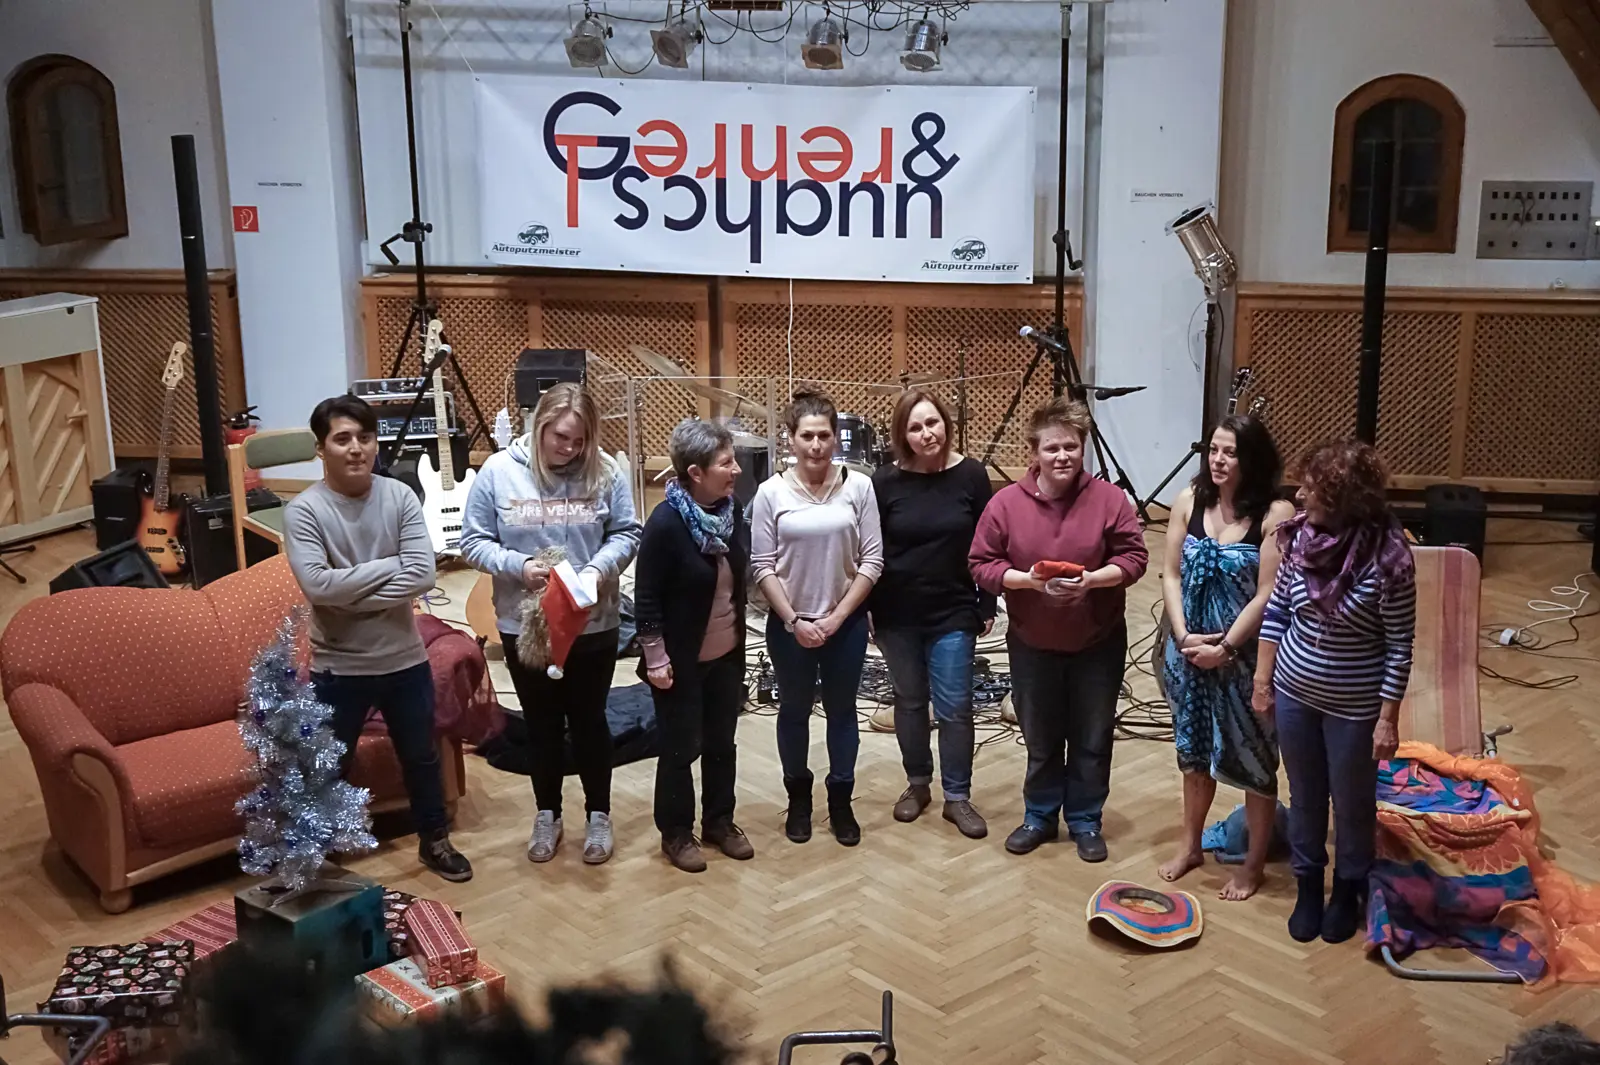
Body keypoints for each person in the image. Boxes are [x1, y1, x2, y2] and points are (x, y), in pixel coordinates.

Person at [283, 394, 472, 882]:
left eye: (365, 438)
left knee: (421, 757)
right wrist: (391, 567)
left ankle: (435, 841)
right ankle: (318, 854)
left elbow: (423, 575)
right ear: (320, 448)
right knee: (328, 765)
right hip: (339, 666)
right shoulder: (304, 511)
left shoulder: (400, 496)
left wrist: (347, 590)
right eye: (342, 439)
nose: (356, 448)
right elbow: (317, 587)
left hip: (404, 659)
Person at [460, 383, 640, 866]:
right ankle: (548, 814)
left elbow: (627, 533)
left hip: (593, 623)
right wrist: (519, 566)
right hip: (527, 625)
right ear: (539, 427)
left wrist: (597, 569)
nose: (570, 449)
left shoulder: (605, 470)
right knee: (541, 725)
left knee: (590, 722)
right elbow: (473, 541)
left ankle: (599, 815)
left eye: (580, 440)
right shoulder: (499, 472)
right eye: (561, 438)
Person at [969, 397, 1147, 862]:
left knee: (1093, 737)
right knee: (1041, 737)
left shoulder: (1109, 499)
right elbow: (981, 563)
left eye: (1071, 446)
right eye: (1052, 448)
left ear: (1082, 447)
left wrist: (1092, 581)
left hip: (1097, 642)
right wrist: (1026, 581)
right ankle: (1040, 817)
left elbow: (1134, 558)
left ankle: (1085, 820)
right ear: (1034, 452)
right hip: (1033, 643)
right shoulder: (1006, 504)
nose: (1062, 456)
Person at [1255, 437, 1416, 944]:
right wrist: (1262, 681)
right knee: (1304, 796)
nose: (1300, 497)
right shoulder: (1299, 540)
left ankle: (1348, 888)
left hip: (1355, 708)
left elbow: (1399, 646)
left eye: (1312, 489)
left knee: (1352, 802)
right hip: (1294, 694)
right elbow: (1277, 611)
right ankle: (1308, 886)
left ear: (1345, 499)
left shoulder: (1390, 561)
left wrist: (1387, 719)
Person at [1158, 414, 1294, 901]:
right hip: (1188, 653)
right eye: (1213, 450)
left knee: (1255, 760)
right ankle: (1191, 846)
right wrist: (1182, 637)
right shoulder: (1189, 500)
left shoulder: (1276, 513)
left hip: (1245, 659)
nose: (1218, 460)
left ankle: (1253, 865)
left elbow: (1268, 593)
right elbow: (1170, 574)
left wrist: (1226, 647)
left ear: (1251, 458)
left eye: (1230, 452)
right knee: (1193, 755)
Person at [751, 389, 883, 847]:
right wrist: (793, 621)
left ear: (835, 438)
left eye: (824, 435)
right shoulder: (770, 493)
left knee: (843, 712)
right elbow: (762, 565)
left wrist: (838, 617)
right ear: (791, 438)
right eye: (806, 436)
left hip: (844, 625)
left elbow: (872, 561)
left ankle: (841, 801)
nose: (816, 445)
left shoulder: (859, 487)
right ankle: (799, 800)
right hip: (791, 626)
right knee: (793, 711)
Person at [869, 388, 994, 839]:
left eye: (932, 423)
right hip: (896, 612)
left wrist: (987, 601)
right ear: (902, 435)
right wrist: (868, 607)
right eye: (916, 427)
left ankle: (957, 796)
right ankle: (918, 783)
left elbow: (989, 543)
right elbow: (871, 549)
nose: (927, 434)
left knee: (956, 707)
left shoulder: (972, 475)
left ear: (946, 423)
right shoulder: (884, 482)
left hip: (953, 610)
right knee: (908, 701)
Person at [635, 419, 754, 873]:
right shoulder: (665, 524)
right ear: (696, 472)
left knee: (723, 742)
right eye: (726, 463)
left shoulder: (731, 511)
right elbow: (646, 596)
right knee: (680, 748)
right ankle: (676, 833)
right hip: (679, 662)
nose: (736, 470)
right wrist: (656, 658)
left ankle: (719, 822)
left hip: (726, 654)